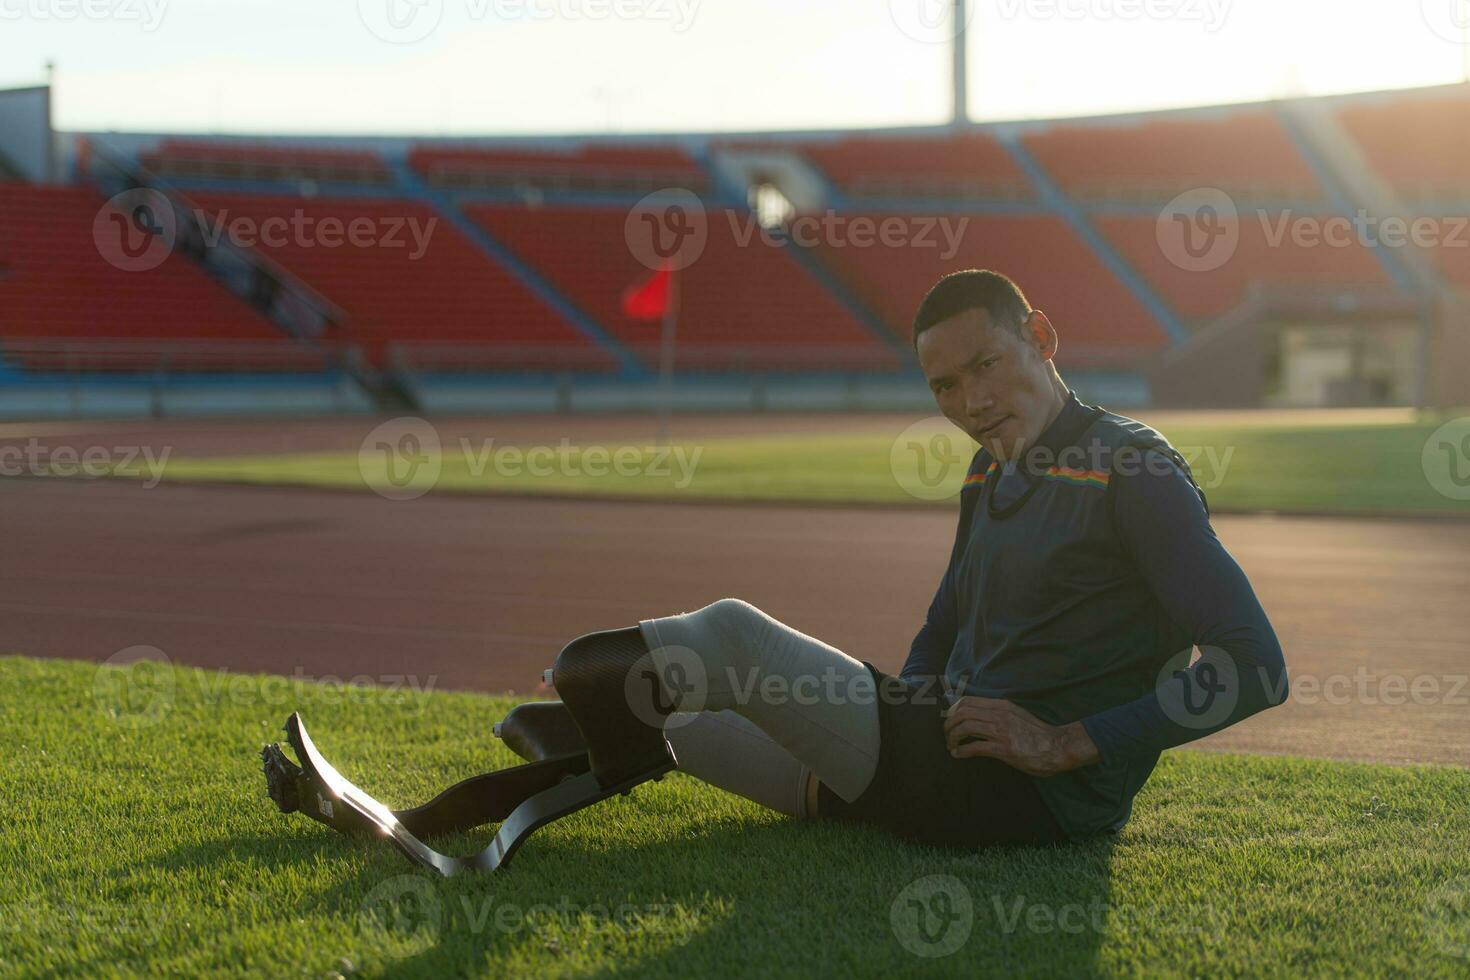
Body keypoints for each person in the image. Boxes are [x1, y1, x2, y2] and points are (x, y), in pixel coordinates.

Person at [508, 268, 1290, 849]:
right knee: (678, 713)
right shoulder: (989, 470)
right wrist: (904, 722)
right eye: (945, 386)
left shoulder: (1134, 471)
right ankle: (590, 734)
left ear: (1041, 339)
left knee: (730, 635)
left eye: (986, 365)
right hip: (947, 757)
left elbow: (1257, 663)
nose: (971, 403)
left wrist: (1068, 741)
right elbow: (945, 622)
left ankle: (598, 708)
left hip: (1035, 796)